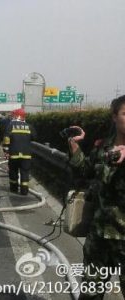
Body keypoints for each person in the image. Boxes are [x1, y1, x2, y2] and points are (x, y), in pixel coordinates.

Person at [68, 96, 125, 299]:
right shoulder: (104, 146)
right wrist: (74, 146)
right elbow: (85, 171)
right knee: (91, 291)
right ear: (114, 117)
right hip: (100, 236)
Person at [2, 108, 35, 195]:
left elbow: (6, 139)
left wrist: (6, 150)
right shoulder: (29, 126)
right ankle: (24, 191)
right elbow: (34, 137)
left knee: (13, 171)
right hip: (26, 155)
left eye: (13, 115)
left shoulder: (11, 125)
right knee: (25, 172)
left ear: (16, 115)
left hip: (14, 154)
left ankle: (14, 188)